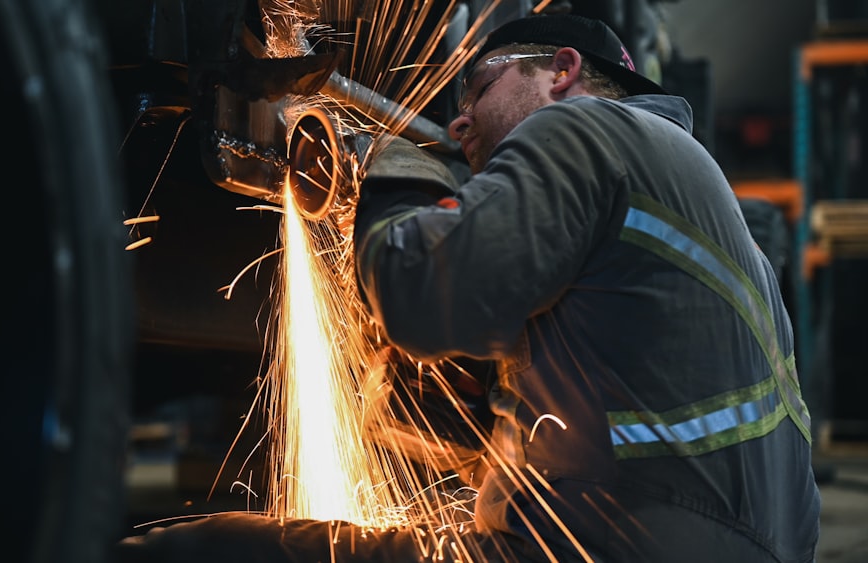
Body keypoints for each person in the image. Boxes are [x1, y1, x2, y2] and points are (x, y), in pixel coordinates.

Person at [115, 13, 821, 563]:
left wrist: (392, 175)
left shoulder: (583, 130)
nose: (458, 122)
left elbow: (422, 295)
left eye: (480, 87)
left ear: (562, 73)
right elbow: (576, 418)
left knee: (215, 549)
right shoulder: (698, 196)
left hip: (609, 546)